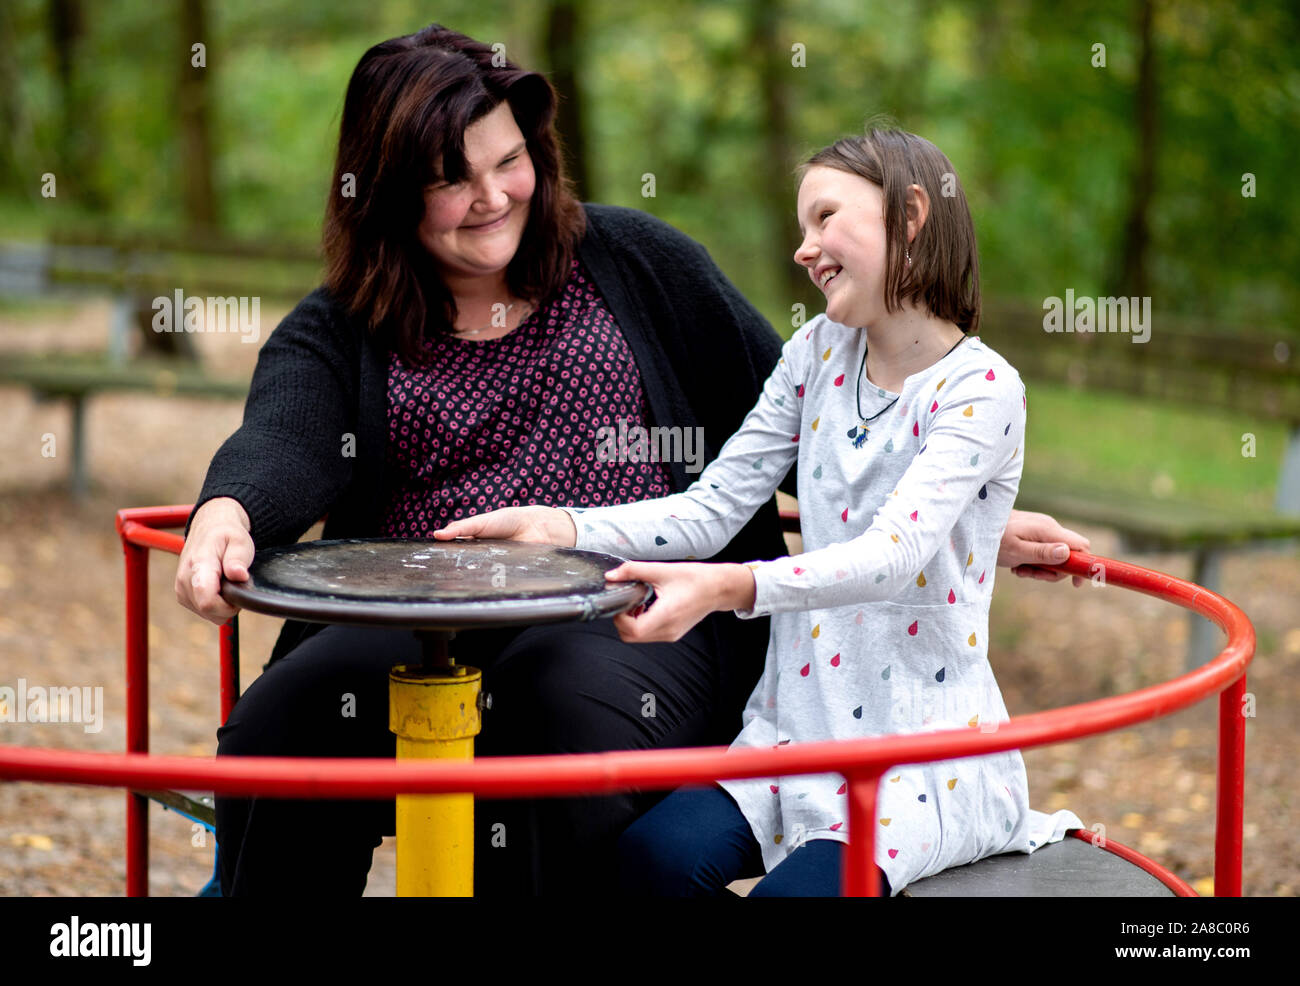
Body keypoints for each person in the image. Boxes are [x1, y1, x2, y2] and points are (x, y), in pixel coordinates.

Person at [174, 24, 1088, 897]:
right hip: (418, 618)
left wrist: (965, 518)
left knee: (551, 715)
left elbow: (810, 420)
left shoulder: (635, 263)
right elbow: (284, 434)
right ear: (385, 192)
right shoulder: (349, 318)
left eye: (508, 162)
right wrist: (230, 508)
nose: (493, 197)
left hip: (637, 609)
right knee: (279, 727)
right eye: (452, 181)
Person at [434, 124, 1085, 896]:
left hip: (917, 764)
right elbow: (713, 507)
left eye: (825, 218)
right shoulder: (814, 355)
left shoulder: (982, 390)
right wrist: (562, 526)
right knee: (647, 863)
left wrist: (728, 588)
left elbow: (891, 555)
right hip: (790, 740)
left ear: (911, 217)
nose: (804, 250)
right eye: (800, 228)